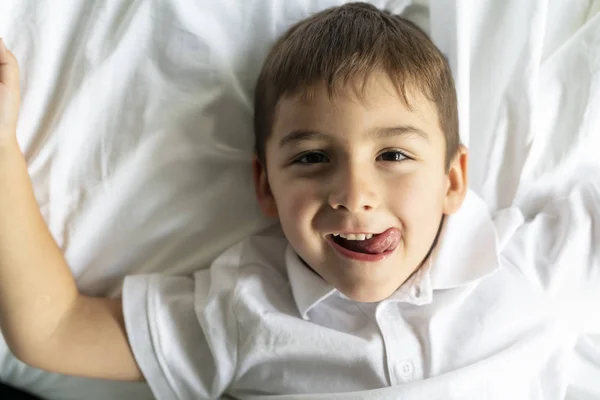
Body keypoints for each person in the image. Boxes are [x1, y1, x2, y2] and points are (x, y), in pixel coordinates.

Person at [0, 3, 598, 399]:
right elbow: (54, 329)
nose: (354, 196)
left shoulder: (528, 265)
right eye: (312, 158)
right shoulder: (246, 308)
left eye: (393, 155)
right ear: (265, 186)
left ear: (452, 179)